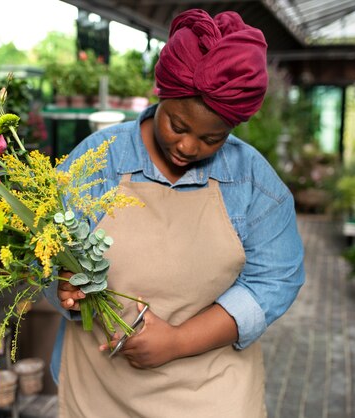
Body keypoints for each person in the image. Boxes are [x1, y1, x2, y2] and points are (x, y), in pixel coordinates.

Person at [45, 8, 305, 418]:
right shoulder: (98, 160)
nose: (187, 147)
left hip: (212, 393)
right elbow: (47, 245)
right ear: (160, 96)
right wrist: (62, 285)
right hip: (100, 389)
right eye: (177, 126)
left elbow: (275, 278)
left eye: (211, 138)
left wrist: (179, 341)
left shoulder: (252, 182)